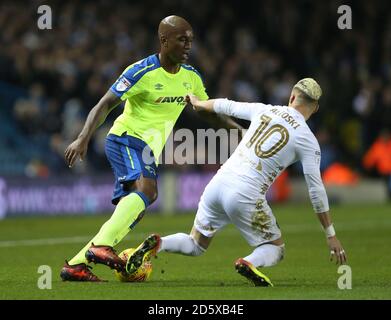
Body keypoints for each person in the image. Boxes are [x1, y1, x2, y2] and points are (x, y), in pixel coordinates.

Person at [60, 15, 242, 282]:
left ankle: (76, 265)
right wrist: (83, 137)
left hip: (146, 150)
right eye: (182, 40)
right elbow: (105, 104)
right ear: (164, 41)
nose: (188, 45)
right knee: (148, 190)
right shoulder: (140, 71)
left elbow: (208, 112)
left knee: (136, 206)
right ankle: (101, 248)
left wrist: (239, 132)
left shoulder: (191, 78)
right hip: (125, 139)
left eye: (190, 40)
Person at [126, 78, 347, 287]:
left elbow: (226, 105)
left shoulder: (265, 109)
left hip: (218, 183)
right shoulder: (308, 140)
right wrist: (331, 235)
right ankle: (249, 262)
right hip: (246, 193)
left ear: (291, 97)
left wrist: (198, 102)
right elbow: (316, 191)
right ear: (315, 108)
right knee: (275, 248)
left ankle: (160, 244)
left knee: (196, 244)